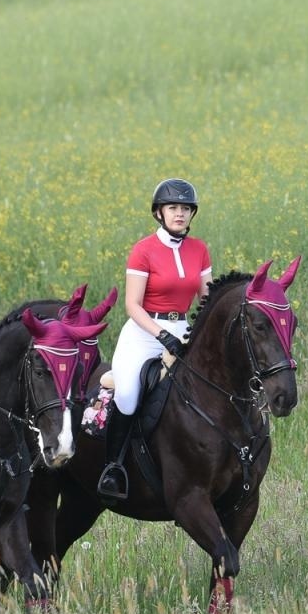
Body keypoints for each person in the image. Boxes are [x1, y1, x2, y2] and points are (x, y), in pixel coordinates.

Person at [97, 178, 211, 499]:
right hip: (144, 332)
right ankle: (113, 468)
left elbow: (207, 297)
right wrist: (162, 335)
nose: (179, 214)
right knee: (129, 392)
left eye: (185, 209)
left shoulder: (199, 250)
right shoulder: (143, 250)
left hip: (183, 329)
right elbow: (132, 304)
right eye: (173, 208)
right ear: (159, 213)